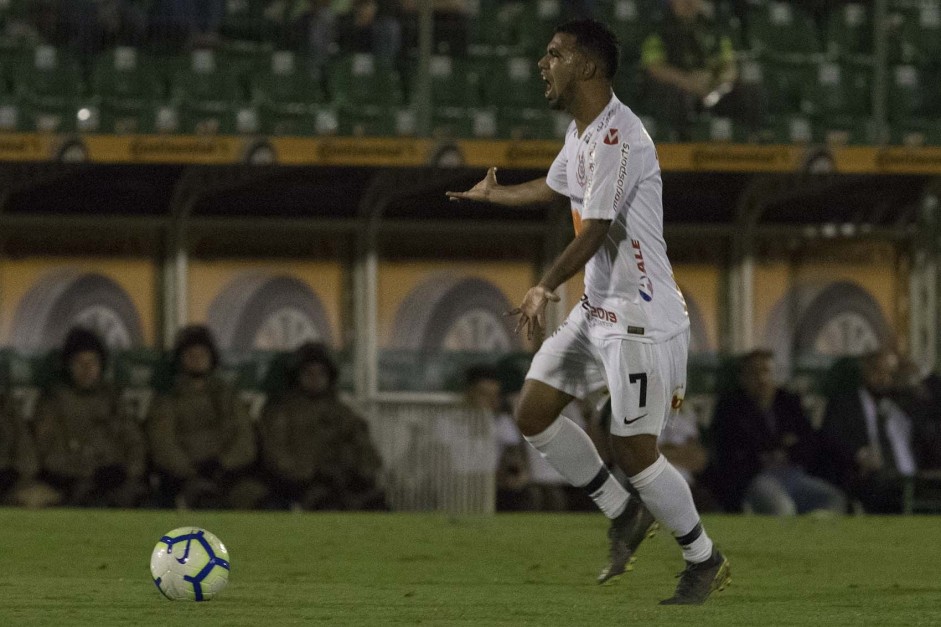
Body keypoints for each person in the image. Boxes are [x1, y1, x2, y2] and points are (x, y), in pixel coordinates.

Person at [446, 19, 728, 605]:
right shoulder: (581, 133)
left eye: (554, 55)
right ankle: (624, 514)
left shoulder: (620, 136)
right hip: (598, 309)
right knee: (533, 411)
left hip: (640, 317)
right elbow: (555, 188)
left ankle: (704, 559)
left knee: (635, 449)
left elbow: (596, 229)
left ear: (589, 68)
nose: (542, 64)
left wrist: (543, 286)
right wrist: (495, 194)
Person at [707, 349, 846, 515]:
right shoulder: (730, 407)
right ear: (743, 378)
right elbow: (733, 448)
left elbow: (808, 440)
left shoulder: (788, 402)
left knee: (834, 499)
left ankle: (814, 537)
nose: (761, 379)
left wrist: (784, 451)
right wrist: (777, 447)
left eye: (766, 371)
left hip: (794, 474)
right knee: (782, 508)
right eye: (754, 373)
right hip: (758, 477)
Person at [146, 325, 264, 509]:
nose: (197, 360)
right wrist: (191, 471)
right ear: (180, 359)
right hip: (186, 478)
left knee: (260, 501)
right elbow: (163, 444)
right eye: (190, 355)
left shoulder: (227, 396)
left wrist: (223, 464)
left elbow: (245, 439)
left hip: (230, 474)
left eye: (202, 355)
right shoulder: (168, 399)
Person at [258, 342, 386, 510]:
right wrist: (308, 474)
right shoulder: (281, 412)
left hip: (345, 485)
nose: (315, 379)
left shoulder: (342, 412)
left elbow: (366, 450)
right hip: (302, 486)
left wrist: (360, 473)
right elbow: (276, 454)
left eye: (321, 373)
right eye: (308, 373)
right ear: (297, 376)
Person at [32, 327, 148, 507]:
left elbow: (134, 442)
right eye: (79, 362)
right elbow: (48, 452)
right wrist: (89, 473)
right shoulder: (52, 402)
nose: (87, 369)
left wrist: (127, 472)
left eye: (92, 362)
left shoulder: (113, 398)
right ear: (68, 366)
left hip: (117, 479)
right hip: (72, 481)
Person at [640, 0, 765, 141]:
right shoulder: (659, 29)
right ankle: (682, 143)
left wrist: (714, 82)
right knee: (678, 97)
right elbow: (654, 67)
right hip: (679, 90)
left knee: (749, 92)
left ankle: (754, 142)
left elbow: (729, 67)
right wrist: (688, 82)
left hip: (713, 91)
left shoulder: (713, 28)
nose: (688, 3)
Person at [816, 349, 917, 514]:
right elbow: (830, 437)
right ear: (865, 371)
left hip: (909, 477)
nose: (884, 378)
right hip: (865, 476)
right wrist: (859, 455)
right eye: (878, 371)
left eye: (890, 374)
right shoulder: (845, 403)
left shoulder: (900, 405)